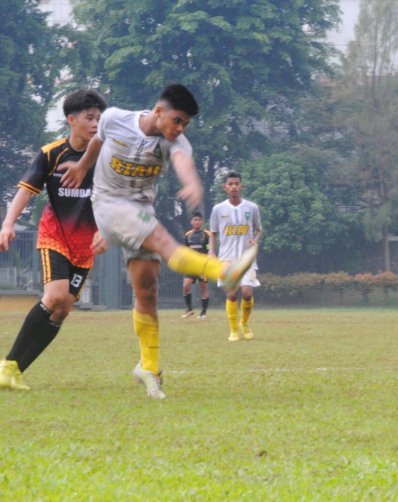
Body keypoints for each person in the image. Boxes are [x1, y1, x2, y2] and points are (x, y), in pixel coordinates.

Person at [59, 84, 257, 399]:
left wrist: (192, 183)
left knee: (147, 292)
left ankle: (148, 368)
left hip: (140, 211)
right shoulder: (115, 119)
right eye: (177, 121)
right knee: (165, 242)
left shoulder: (176, 143)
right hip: (109, 203)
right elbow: (98, 139)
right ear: (159, 111)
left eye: (185, 125)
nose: (179, 129)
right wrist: (83, 167)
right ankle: (222, 271)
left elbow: (183, 164)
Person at [0, 89, 108, 390]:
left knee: (63, 310)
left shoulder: (105, 157)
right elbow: (26, 190)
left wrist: (106, 230)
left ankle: (15, 370)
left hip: (85, 245)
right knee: (56, 296)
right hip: (55, 234)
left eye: (99, 118)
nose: (96, 123)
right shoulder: (51, 153)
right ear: (71, 120)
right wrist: (8, 224)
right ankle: (7, 364)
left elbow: (113, 199)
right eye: (89, 118)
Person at [209, 171, 263, 342]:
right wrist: (211, 252)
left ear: (241, 186)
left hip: (246, 259)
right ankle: (233, 330)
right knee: (231, 295)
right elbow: (213, 233)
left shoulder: (251, 207)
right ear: (225, 187)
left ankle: (244, 323)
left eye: (236, 184)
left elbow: (259, 228)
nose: (233, 187)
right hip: (226, 258)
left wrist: (254, 240)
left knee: (247, 293)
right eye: (230, 184)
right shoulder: (218, 209)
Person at [181, 211, 211, 319]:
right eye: (195, 220)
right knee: (186, 285)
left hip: (203, 265)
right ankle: (189, 310)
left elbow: (210, 250)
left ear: (202, 221)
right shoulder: (187, 235)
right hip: (190, 266)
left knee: (203, 288)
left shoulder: (207, 234)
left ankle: (203, 313)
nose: (197, 222)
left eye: (199, 220)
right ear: (191, 222)